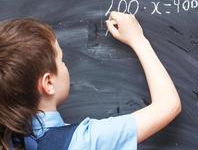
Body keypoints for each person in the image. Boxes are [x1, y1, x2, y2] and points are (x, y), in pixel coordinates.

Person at [0, 11, 182, 150]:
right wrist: (138, 40)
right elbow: (168, 105)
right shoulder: (82, 142)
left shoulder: (10, 139)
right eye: (61, 61)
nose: (65, 66)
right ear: (48, 84)